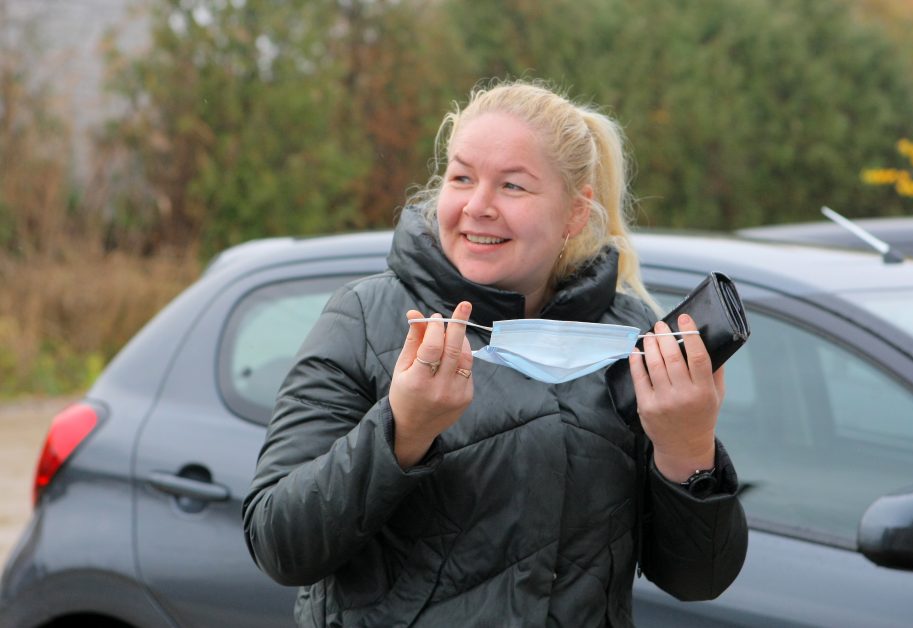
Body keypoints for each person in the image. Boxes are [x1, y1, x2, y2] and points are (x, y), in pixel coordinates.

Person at [242, 79, 747, 627]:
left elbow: (699, 579)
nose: (477, 206)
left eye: (512, 186)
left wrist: (688, 452)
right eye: (461, 178)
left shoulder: (630, 336)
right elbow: (278, 543)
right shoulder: (365, 318)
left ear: (575, 214)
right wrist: (402, 432)